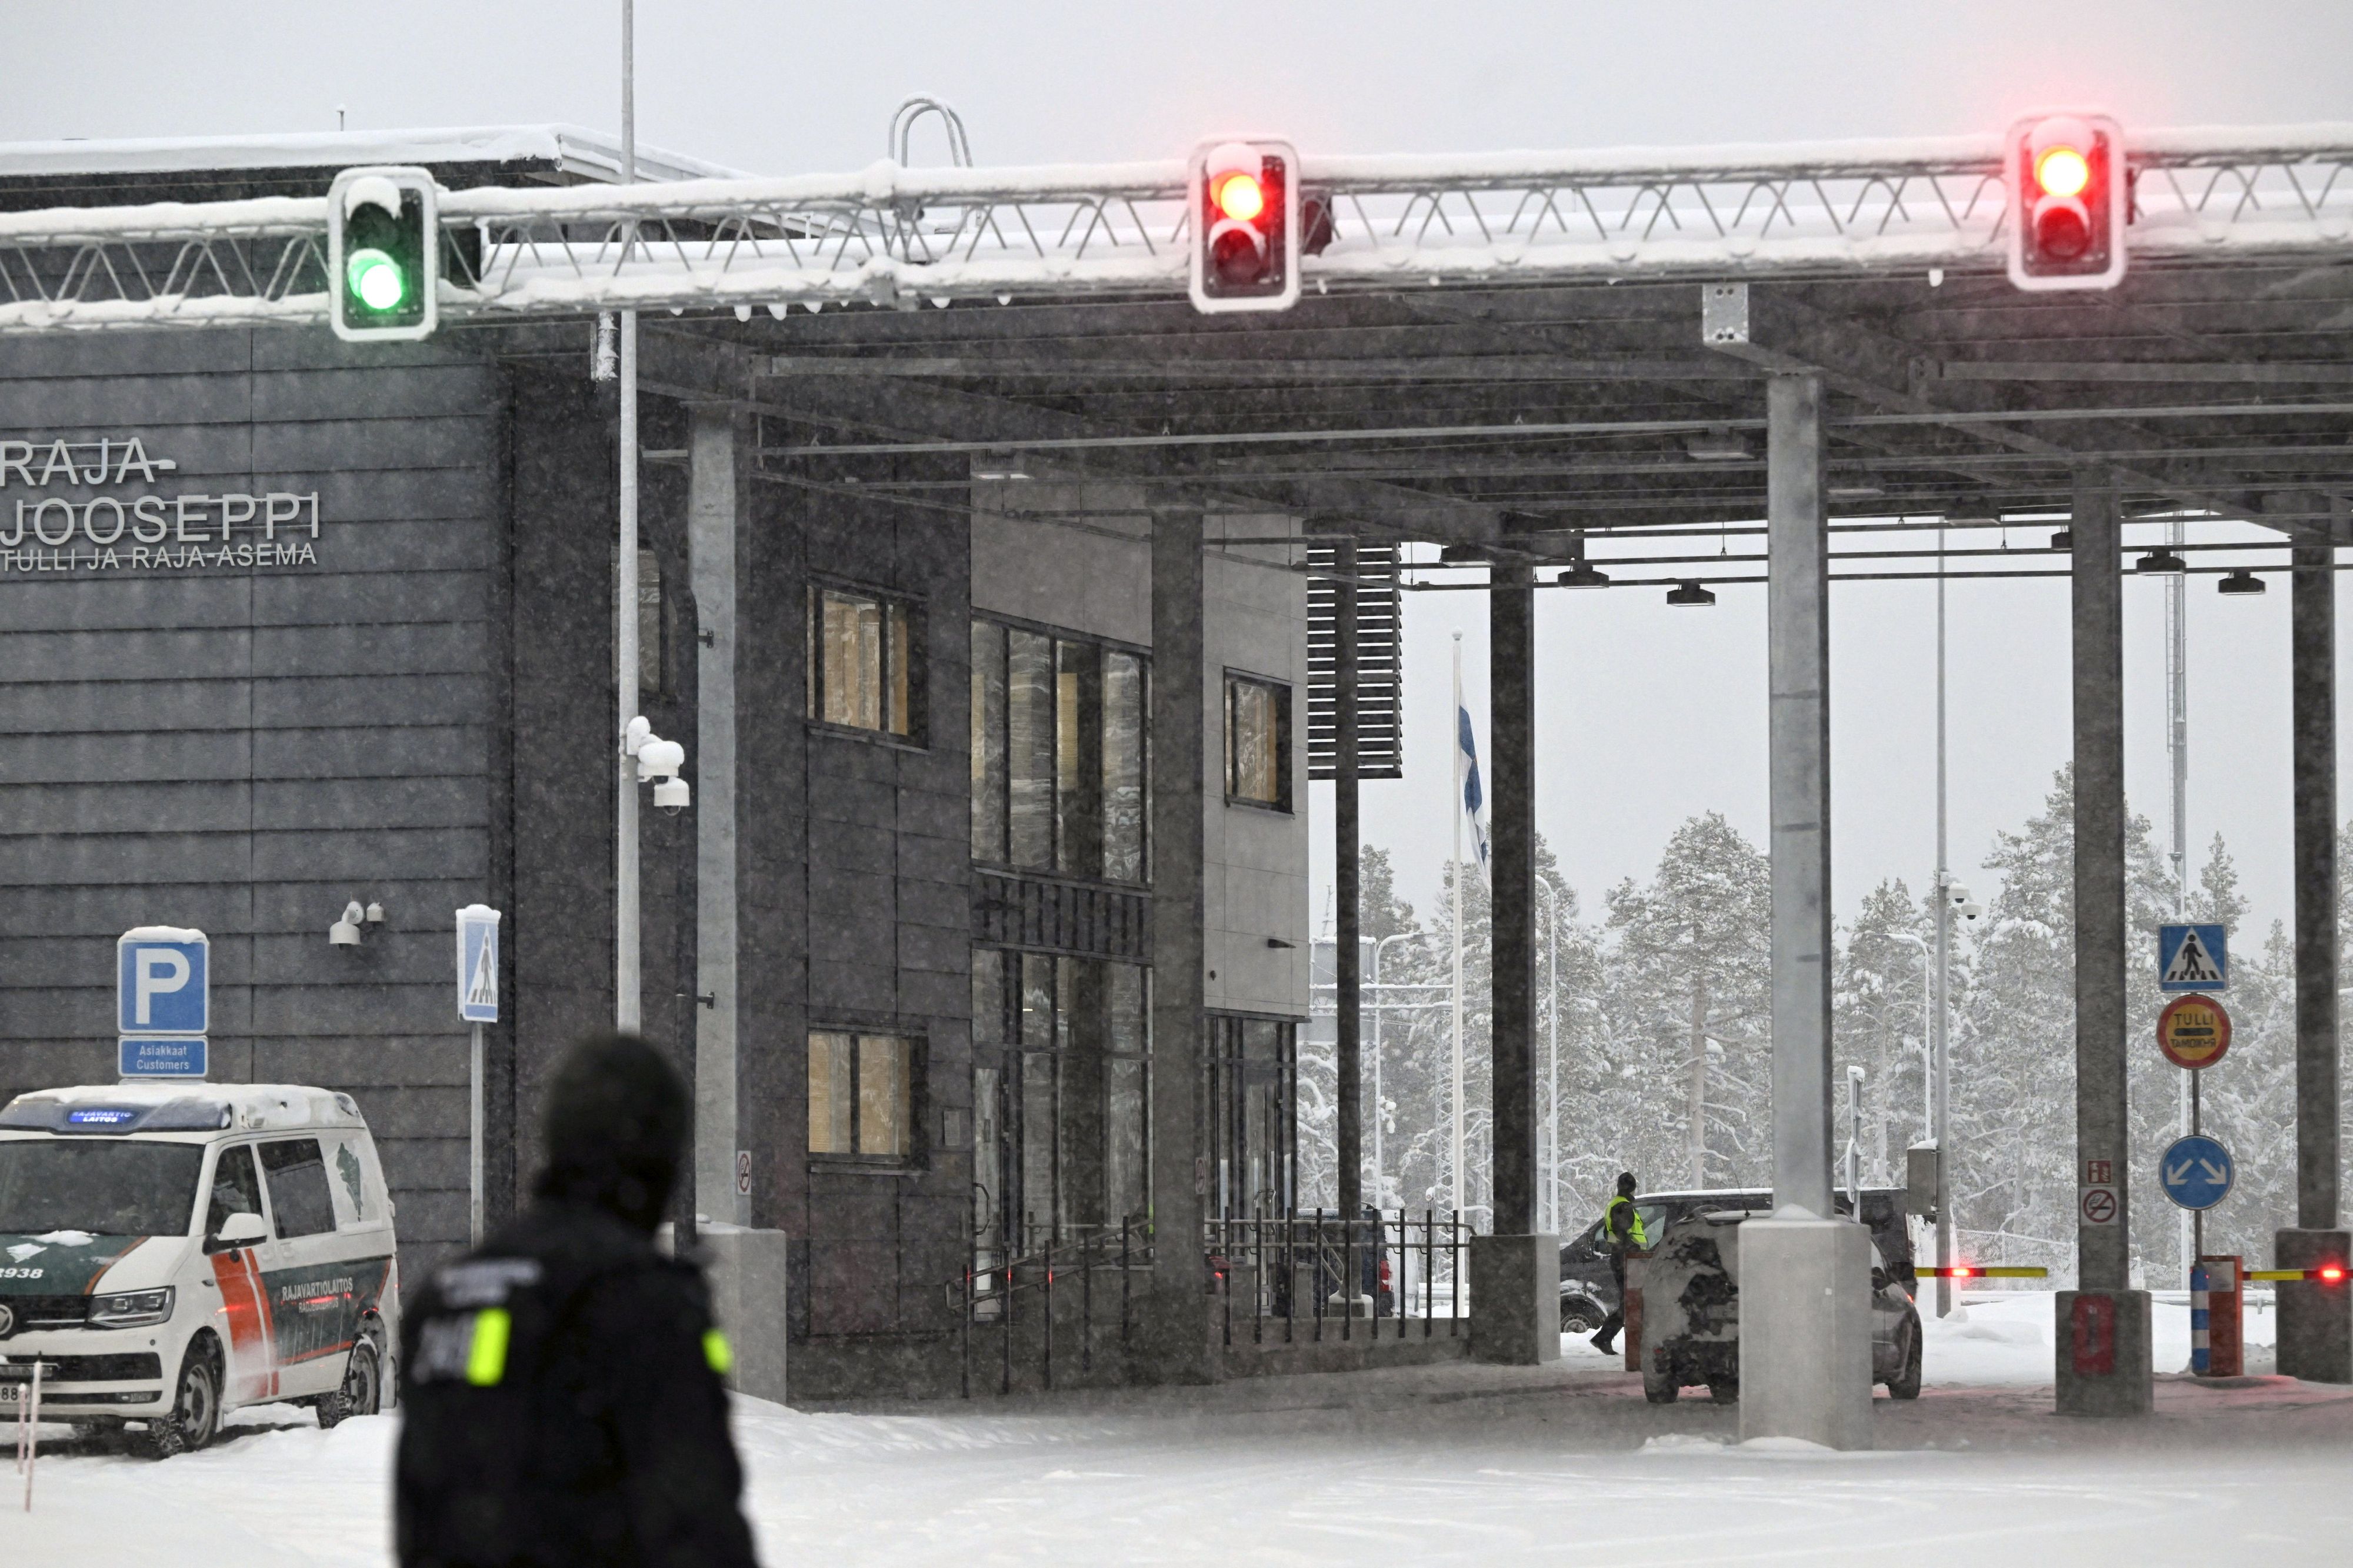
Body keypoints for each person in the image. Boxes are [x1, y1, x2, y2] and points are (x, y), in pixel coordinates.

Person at [395, 1033, 759, 1568]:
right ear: (659, 1157)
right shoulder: (640, 1298)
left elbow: (421, 1512)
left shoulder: (447, 1293)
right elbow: (696, 1525)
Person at [1589, 1171, 1648, 1357]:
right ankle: (1605, 1337)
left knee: (1631, 1301)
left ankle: (1606, 1338)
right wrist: (1634, 1251)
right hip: (1629, 1260)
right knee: (1631, 1302)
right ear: (1632, 1187)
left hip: (1622, 1259)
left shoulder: (1616, 1205)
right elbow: (1621, 1235)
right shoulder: (1624, 1207)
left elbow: (1610, 1235)